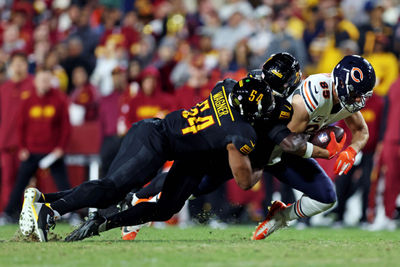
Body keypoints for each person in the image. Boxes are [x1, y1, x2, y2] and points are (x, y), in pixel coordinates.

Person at [20, 76, 273, 242]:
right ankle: (51, 211)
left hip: (186, 153)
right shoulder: (242, 131)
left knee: (166, 209)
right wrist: (260, 163)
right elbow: (243, 180)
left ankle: (50, 202)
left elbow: (236, 84)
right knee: (112, 190)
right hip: (156, 139)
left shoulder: (226, 87)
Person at [252, 54, 376, 240]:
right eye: (355, 94)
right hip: (268, 143)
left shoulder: (344, 98)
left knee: (326, 198)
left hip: (289, 151)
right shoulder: (314, 94)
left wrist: (352, 151)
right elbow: (286, 140)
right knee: (214, 179)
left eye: (361, 95)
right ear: (341, 85)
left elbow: (361, 131)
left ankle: (280, 217)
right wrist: (322, 152)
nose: (358, 100)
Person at [2, 69, 71, 219]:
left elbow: (66, 126)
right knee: (20, 184)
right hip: (31, 150)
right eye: (41, 80)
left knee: (63, 183)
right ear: (35, 82)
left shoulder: (59, 99)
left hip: (52, 151)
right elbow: (20, 127)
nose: (44, 83)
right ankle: (8, 213)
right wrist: (22, 148)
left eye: (47, 80)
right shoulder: (27, 100)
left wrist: (61, 147)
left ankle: (71, 212)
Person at [0, 52, 33, 213]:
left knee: (28, 182)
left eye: (22, 63)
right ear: (10, 67)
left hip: (26, 145)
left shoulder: (33, 86)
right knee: (7, 180)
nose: (18, 67)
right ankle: (8, 213)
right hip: (6, 144)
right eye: (15, 63)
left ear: (27, 65)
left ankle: (27, 213)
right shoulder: (4, 89)